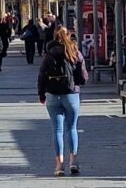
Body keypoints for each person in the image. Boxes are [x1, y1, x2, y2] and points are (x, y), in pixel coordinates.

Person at [38, 26, 89, 177]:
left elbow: (41, 76)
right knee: (71, 128)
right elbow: (83, 76)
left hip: (53, 95)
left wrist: (41, 94)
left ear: (55, 37)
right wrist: (76, 83)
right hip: (71, 94)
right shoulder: (74, 52)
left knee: (57, 130)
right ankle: (73, 161)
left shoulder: (49, 54)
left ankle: (59, 165)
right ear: (69, 35)